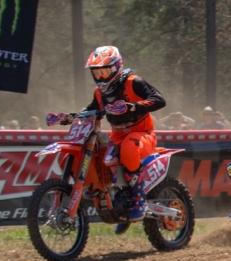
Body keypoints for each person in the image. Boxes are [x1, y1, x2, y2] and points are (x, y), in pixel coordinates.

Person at [59, 45, 166, 232]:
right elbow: (92, 110)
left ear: (116, 67)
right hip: (117, 135)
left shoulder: (133, 82)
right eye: (96, 73)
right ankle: (120, 205)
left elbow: (159, 100)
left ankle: (138, 198)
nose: (101, 77)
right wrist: (70, 116)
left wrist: (132, 106)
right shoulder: (99, 93)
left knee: (128, 149)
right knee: (106, 159)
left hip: (143, 134)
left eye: (104, 71)